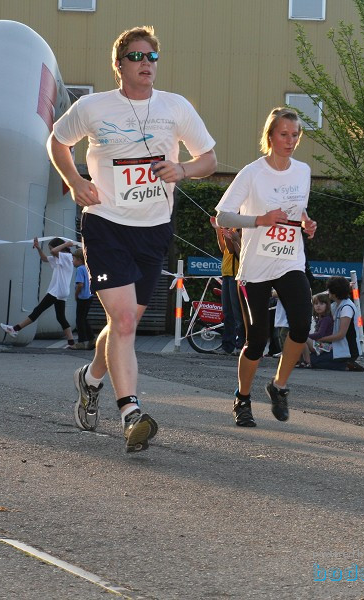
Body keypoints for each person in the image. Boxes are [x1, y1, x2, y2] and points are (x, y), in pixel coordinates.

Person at [48, 26, 217, 452]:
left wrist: (183, 170)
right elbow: (57, 140)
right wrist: (73, 179)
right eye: (138, 57)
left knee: (123, 323)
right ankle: (131, 413)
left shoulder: (175, 107)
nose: (147, 64)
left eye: (153, 57)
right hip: (106, 223)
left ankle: (89, 380)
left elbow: (209, 159)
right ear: (119, 64)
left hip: (154, 228)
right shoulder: (92, 106)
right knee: (123, 322)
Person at [214, 106, 317, 427]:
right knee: (256, 339)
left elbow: (297, 212)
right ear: (270, 136)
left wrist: (306, 223)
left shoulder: (303, 171)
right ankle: (242, 398)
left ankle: (279, 385)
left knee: (302, 324)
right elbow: (222, 216)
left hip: (290, 259)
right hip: (256, 266)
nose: (290, 141)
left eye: (295, 135)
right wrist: (258, 219)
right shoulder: (252, 172)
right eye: (284, 134)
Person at [0, 237, 77, 348]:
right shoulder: (59, 257)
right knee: (61, 317)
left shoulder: (67, 257)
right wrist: (38, 249)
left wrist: (66, 244)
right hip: (60, 291)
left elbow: (54, 251)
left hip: (57, 290)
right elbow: (45, 258)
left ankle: (15, 329)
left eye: (50, 247)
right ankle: (71, 343)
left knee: (38, 310)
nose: (50, 250)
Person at [212, 218, 243, 355]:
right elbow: (224, 249)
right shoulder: (233, 230)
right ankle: (227, 346)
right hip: (226, 274)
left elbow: (237, 253)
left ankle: (240, 344)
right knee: (227, 313)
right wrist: (218, 230)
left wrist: (232, 237)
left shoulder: (241, 231)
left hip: (236, 276)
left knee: (238, 313)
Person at [298, 292, 333, 368]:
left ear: (327, 305)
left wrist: (306, 335)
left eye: (321, 303)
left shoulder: (326, 319)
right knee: (302, 340)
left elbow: (320, 334)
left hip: (325, 346)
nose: (318, 306)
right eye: (316, 304)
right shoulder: (319, 318)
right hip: (320, 344)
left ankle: (308, 361)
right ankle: (302, 360)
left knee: (303, 338)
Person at [70, 249, 94, 350]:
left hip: (82, 297)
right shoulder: (87, 268)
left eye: (73, 259)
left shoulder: (80, 269)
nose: (72, 261)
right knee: (84, 318)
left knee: (79, 320)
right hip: (89, 296)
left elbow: (80, 284)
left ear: (79, 260)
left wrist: (76, 295)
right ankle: (91, 338)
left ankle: (81, 342)